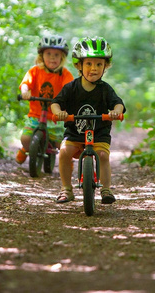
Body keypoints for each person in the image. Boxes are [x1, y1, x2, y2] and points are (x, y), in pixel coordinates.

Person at [51, 37, 125, 204]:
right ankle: (66, 189)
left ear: (105, 66)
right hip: (75, 132)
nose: (94, 68)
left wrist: (115, 112)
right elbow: (56, 102)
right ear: (79, 65)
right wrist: (59, 112)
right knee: (64, 152)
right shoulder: (71, 87)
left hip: (99, 133)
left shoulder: (105, 89)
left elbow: (118, 103)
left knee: (102, 155)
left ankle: (106, 189)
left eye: (99, 64)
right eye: (89, 64)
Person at [16, 35, 74, 164]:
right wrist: (25, 92)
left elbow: (70, 87)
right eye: (48, 54)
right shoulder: (35, 71)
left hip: (55, 117)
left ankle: (67, 161)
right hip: (36, 115)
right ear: (42, 56)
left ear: (62, 58)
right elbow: (26, 83)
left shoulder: (64, 74)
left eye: (56, 55)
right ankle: (25, 149)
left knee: (61, 143)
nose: (52, 57)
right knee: (26, 138)